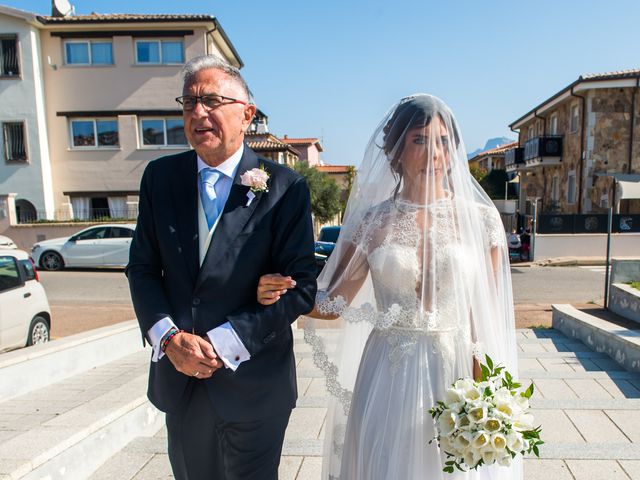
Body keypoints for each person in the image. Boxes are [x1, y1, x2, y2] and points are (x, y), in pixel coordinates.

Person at [257, 95, 521, 479]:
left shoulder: (481, 221)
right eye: (419, 141)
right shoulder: (372, 222)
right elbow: (332, 302)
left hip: (456, 370)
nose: (434, 153)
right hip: (388, 372)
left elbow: (487, 315)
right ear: (395, 151)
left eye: (443, 142)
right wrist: (284, 289)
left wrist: (486, 389)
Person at [126, 55, 317, 480]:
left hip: (255, 385)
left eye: (211, 101)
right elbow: (141, 268)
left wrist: (226, 341)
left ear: (247, 114)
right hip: (182, 378)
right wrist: (168, 338)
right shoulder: (160, 177)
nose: (197, 113)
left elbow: (302, 286)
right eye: (189, 102)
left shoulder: (285, 188)